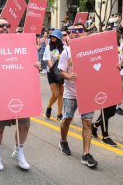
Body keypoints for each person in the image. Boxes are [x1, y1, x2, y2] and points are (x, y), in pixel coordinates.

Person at [0, 18, 39, 171]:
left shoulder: (20, 43)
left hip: (20, 91)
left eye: (8, 25)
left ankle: (19, 151)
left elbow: (31, 64)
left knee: (25, 125)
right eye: (1, 25)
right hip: (0, 93)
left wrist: (36, 66)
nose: (5, 28)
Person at [58, 22, 98, 168]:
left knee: (87, 122)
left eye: (79, 30)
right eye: (72, 31)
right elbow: (61, 70)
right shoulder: (66, 52)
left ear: (85, 33)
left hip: (87, 92)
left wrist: (121, 64)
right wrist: (68, 76)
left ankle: (86, 154)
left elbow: (104, 64)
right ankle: (63, 141)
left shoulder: (94, 50)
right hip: (70, 92)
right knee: (67, 119)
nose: (75, 33)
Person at [43, 29, 64, 120]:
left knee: (61, 94)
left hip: (61, 72)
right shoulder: (48, 47)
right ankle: (49, 107)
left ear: (59, 38)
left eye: (55, 36)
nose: (52, 38)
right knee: (55, 94)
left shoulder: (64, 48)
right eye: (52, 36)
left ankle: (60, 114)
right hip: (51, 72)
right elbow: (48, 59)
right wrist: (54, 70)